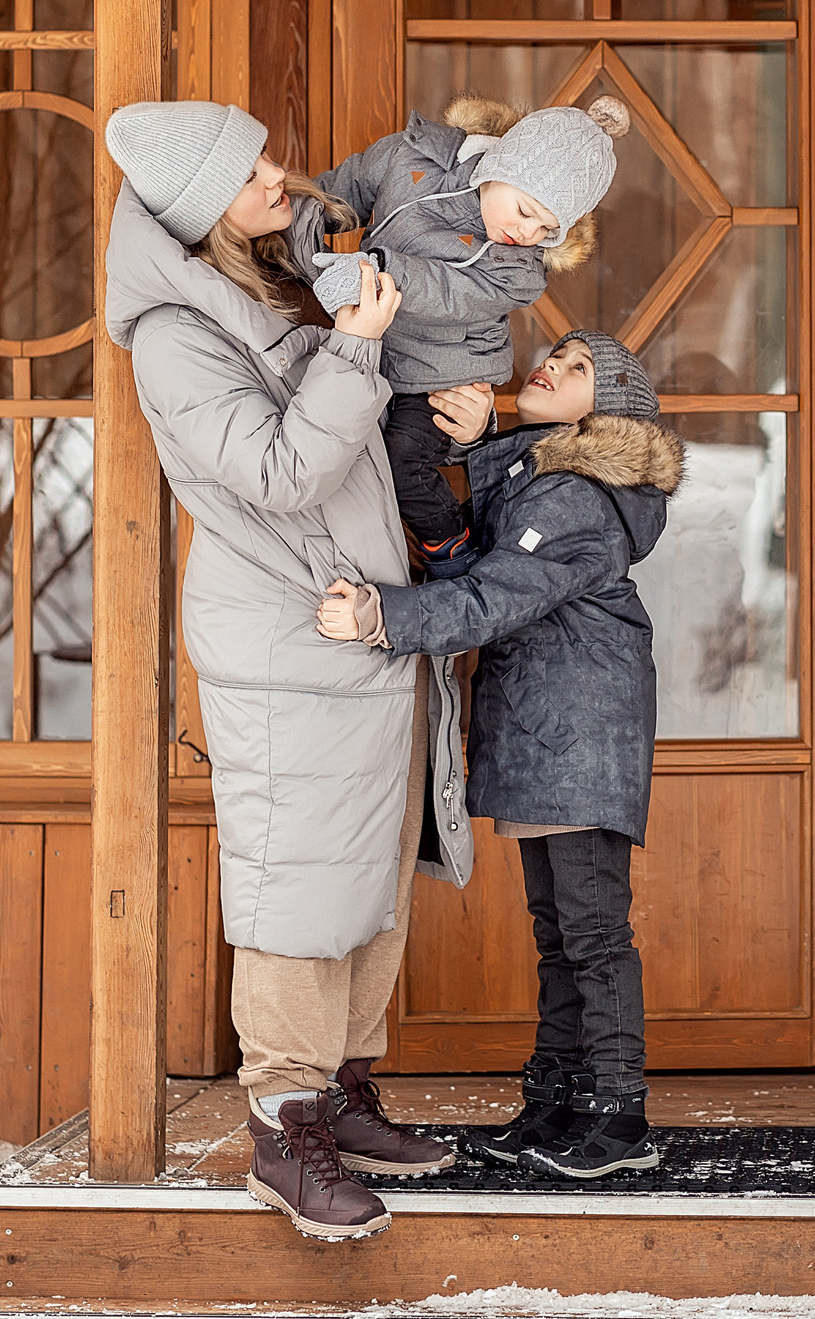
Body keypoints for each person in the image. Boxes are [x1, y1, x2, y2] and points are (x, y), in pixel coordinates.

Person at [102, 99, 477, 1241]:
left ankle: (343, 1089)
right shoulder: (174, 334)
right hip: (285, 637)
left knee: (361, 874)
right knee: (292, 884)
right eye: (250, 166)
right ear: (193, 202)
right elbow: (274, 473)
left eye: (266, 154)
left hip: (355, 623)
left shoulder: (269, 280)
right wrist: (358, 347)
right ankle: (283, 1126)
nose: (279, 174)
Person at [315, 329, 679, 1179]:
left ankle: (619, 1117)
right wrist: (478, 445)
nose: (549, 364)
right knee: (562, 935)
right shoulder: (553, 480)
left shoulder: (577, 500)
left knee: (590, 935)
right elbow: (491, 559)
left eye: (578, 367)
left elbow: (488, 598)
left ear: (609, 410)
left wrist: (383, 617)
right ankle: (554, 1103)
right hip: (556, 735)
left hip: (579, 738)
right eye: (555, 350)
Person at [300, 93, 628, 577]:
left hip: (445, 372)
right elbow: (339, 192)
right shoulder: (411, 157)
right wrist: (295, 233)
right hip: (373, 339)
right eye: (525, 209)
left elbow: (446, 292)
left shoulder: (518, 271)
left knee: (400, 463)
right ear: (500, 164)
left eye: (548, 228)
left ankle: (451, 551)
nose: (528, 232)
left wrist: (376, 270)